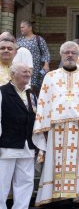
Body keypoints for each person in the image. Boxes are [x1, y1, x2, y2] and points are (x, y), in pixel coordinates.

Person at [32, 41, 79, 206]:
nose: (70, 55)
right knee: (55, 160)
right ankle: (56, 195)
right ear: (61, 55)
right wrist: (41, 126)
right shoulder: (51, 76)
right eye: (67, 52)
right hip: (56, 128)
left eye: (73, 52)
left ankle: (78, 194)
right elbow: (43, 101)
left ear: (78, 56)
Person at [0, 63, 36, 209]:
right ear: (13, 74)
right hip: (7, 145)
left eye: (29, 72)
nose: (28, 74)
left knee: (26, 181)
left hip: (27, 144)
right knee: (2, 182)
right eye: (24, 72)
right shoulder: (2, 92)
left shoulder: (31, 93)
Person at [17, 20, 51, 95]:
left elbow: (45, 52)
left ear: (29, 28)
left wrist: (46, 64)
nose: (21, 29)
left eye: (23, 27)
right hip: (21, 68)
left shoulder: (38, 39)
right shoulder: (19, 40)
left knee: (31, 89)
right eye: (20, 27)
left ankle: (31, 103)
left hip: (35, 69)